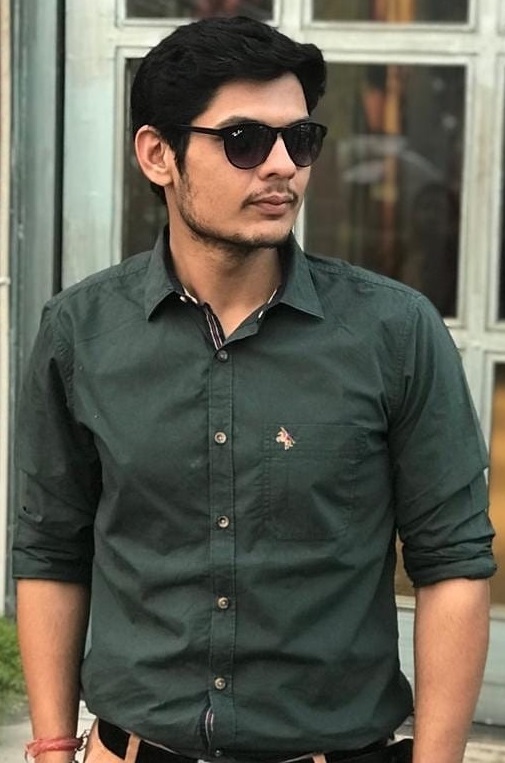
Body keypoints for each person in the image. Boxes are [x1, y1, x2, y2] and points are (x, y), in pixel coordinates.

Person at [13, 15, 496, 763]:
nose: (282, 167)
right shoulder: (80, 331)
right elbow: (51, 548)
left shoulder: (394, 331)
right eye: (244, 140)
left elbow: (453, 562)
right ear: (158, 154)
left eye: (300, 140)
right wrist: (51, 747)